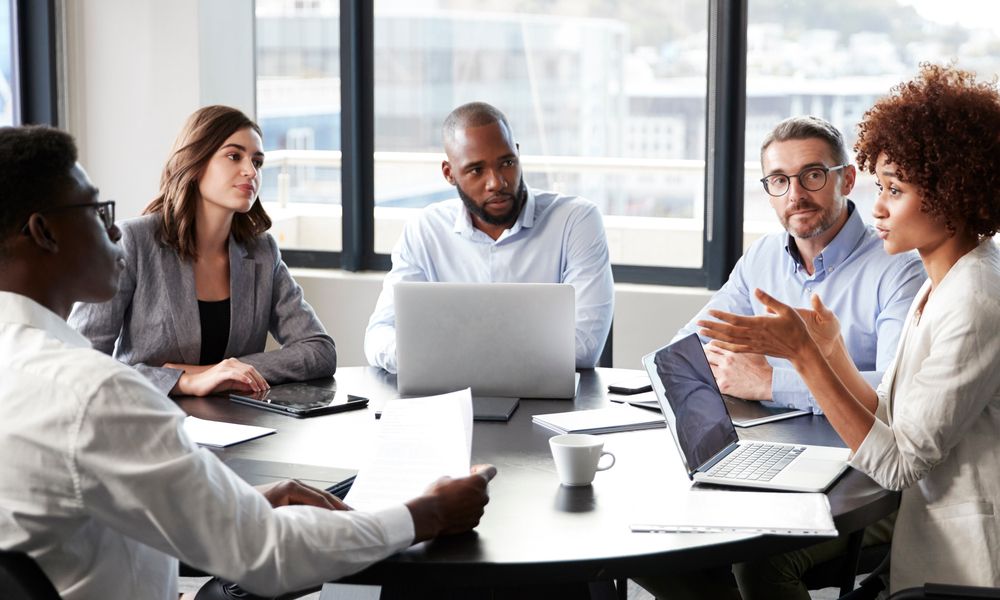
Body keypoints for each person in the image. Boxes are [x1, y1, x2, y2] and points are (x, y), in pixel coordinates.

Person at [0, 124, 497, 599]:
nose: (113, 228)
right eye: (96, 209)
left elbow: (91, 512)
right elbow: (268, 556)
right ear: (43, 232)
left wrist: (243, 505)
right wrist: (426, 514)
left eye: (256, 160)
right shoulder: (94, 392)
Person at [700, 64, 1000, 593]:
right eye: (879, 186)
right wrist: (833, 352)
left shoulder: (974, 300)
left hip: (965, 558)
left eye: (895, 190)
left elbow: (899, 463)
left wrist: (807, 361)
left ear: (954, 194)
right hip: (927, 529)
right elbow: (891, 407)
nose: (877, 207)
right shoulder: (943, 283)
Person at [69, 105, 335, 397]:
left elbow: (319, 350)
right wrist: (184, 381)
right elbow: (82, 363)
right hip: (149, 421)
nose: (250, 171)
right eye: (234, 156)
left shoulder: (262, 252)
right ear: (195, 163)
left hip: (241, 427)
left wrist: (223, 371)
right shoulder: (133, 241)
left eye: (257, 162)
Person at [674, 116, 925, 413]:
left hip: (856, 449)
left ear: (846, 180)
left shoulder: (901, 269)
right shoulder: (761, 257)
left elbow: (894, 392)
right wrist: (720, 367)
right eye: (780, 180)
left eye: (813, 175)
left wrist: (770, 383)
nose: (796, 195)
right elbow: (684, 350)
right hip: (765, 439)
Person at [364, 101, 614, 373]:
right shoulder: (425, 230)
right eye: (476, 170)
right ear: (449, 173)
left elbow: (584, 346)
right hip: (450, 399)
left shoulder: (575, 220)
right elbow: (380, 334)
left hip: (548, 405)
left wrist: (441, 355)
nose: (497, 182)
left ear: (517, 154)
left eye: (506, 163)